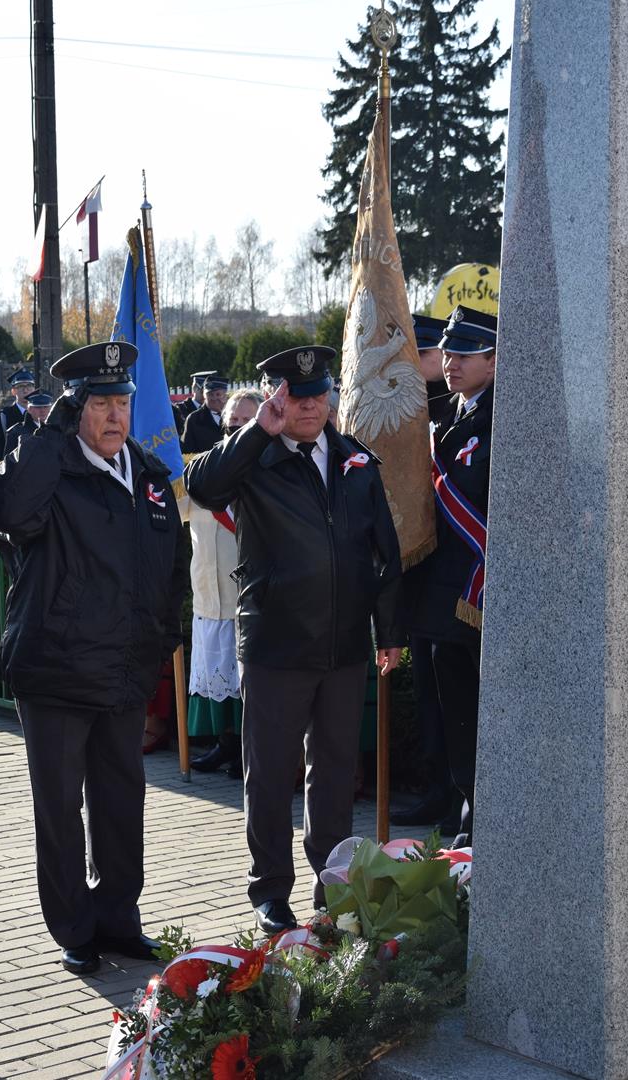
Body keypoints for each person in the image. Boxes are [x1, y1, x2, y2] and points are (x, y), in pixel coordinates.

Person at [0, 341, 187, 976]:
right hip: (57, 668)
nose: (115, 416)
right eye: (99, 404)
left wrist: (161, 636)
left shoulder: (146, 476)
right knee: (61, 807)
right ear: (74, 410)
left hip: (124, 668)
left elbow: (171, 564)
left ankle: (119, 917)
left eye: (122, 402)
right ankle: (73, 926)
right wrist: (49, 438)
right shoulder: (48, 468)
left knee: (122, 801)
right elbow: (2, 509)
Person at [185, 344, 404, 934]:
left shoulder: (356, 460)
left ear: (331, 397)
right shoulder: (253, 459)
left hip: (343, 643)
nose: (308, 407)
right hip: (277, 642)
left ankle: (331, 881)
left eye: (317, 395)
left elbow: (384, 550)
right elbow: (201, 486)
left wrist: (390, 630)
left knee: (334, 771)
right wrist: (258, 431)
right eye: (295, 397)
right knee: (272, 770)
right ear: (277, 398)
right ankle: (269, 888)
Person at [403, 306, 497, 844]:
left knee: (480, 715)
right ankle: (466, 813)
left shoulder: (502, 421)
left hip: (479, 594)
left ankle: (482, 820)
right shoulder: (451, 416)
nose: (452, 363)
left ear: (493, 359)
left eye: (464, 355)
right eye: (450, 353)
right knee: (454, 713)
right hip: (445, 597)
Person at [390, 313, 460, 833]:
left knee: (454, 699)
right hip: (422, 575)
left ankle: (452, 793)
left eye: (423, 354)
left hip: (459, 581)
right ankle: (437, 787)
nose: (416, 365)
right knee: (432, 698)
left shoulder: (454, 411)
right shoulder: (413, 409)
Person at [187, 389, 262, 778]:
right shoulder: (204, 470)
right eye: (231, 424)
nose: (235, 431)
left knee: (247, 682)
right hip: (209, 594)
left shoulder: (266, 471)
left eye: (245, 424)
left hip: (249, 598)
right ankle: (225, 744)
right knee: (218, 677)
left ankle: (246, 752)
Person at [0, 367, 37, 458]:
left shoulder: (41, 413)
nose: (25, 390)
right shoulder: (3, 415)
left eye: (29, 385)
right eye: (21, 386)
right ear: (13, 391)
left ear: (34, 388)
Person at [180, 373, 229, 453]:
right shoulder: (194, 419)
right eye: (210, 394)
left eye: (218, 394)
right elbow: (187, 451)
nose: (214, 398)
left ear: (225, 395)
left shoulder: (235, 414)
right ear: (204, 396)